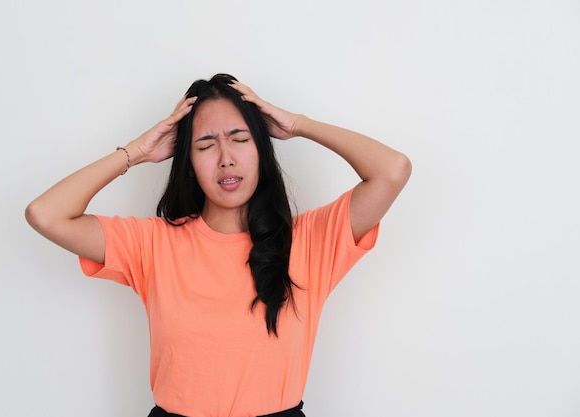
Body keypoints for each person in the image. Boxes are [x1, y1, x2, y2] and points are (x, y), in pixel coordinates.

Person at [25, 73, 411, 417]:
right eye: (206, 145)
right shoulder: (153, 243)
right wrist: (136, 152)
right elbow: (46, 213)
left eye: (240, 139)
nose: (226, 159)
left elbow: (392, 170)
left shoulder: (308, 240)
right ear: (187, 160)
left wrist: (299, 125)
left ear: (262, 148)